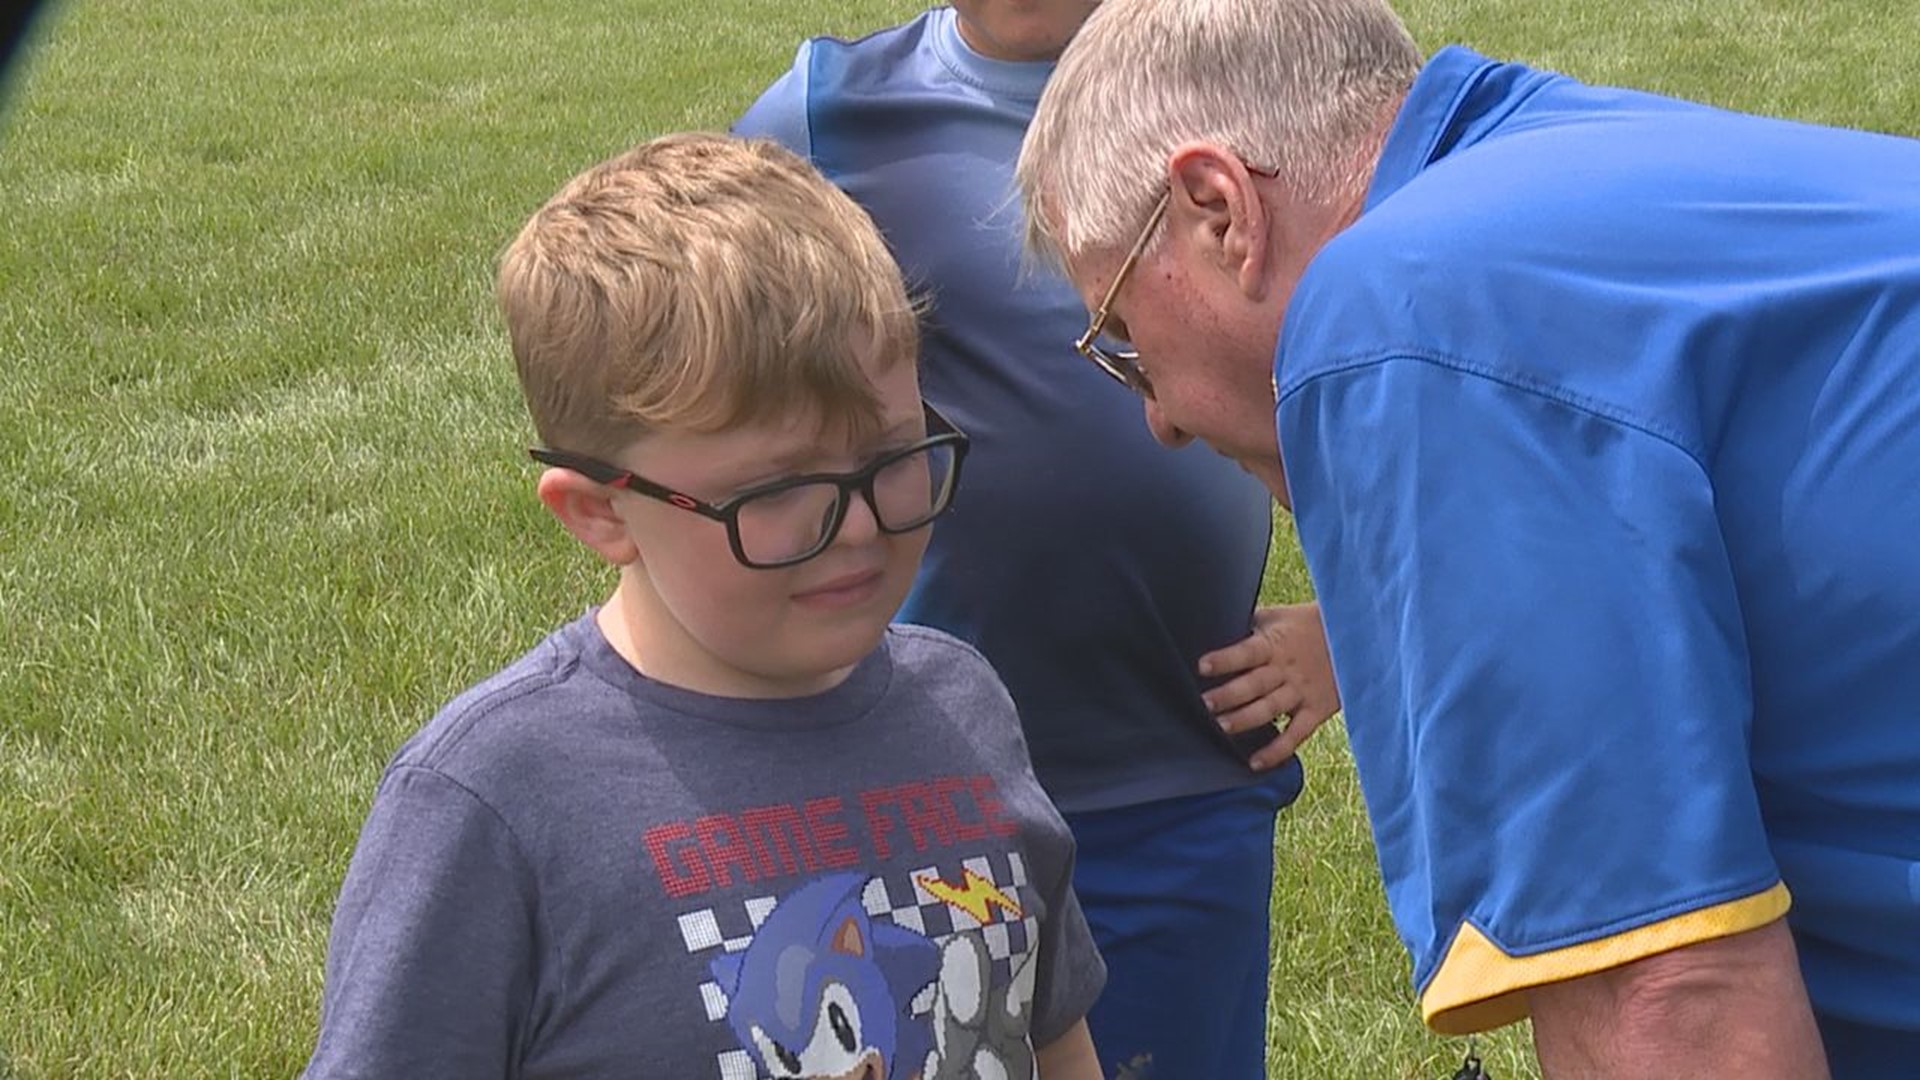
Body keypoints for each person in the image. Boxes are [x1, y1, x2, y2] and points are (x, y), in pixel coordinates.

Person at [1011, 0, 1920, 1076]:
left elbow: (1668, 999)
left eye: (1121, 335)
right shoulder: (1574, 169)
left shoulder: (1404, 317)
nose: (1156, 418)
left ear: (1220, 211)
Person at [303, 132, 1107, 1079]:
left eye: (890, 457)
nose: (854, 528)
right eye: (772, 494)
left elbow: (1046, 1035)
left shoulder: (963, 706)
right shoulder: (494, 803)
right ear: (601, 513)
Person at [736, 4, 1343, 1076]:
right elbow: (720, 371)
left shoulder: (1231, 80)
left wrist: (1354, 627)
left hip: (1181, 768)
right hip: (931, 776)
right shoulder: (832, 115)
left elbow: (1375, 359)